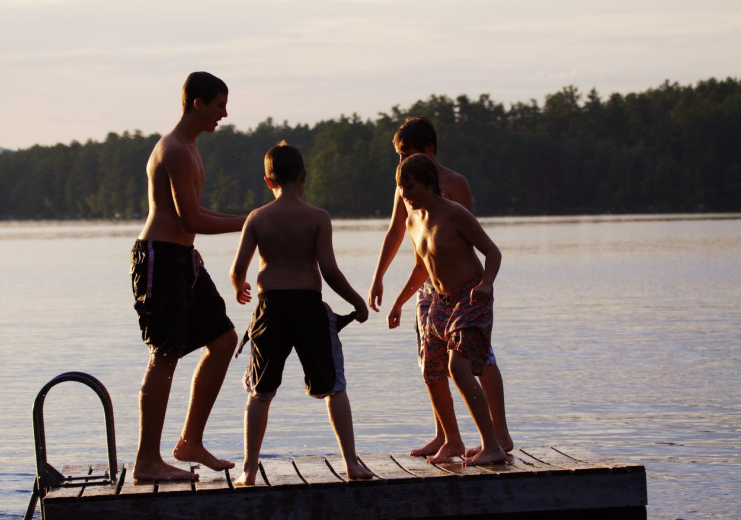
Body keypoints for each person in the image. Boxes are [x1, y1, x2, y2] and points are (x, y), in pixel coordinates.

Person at [230, 141, 375, 485]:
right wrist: (357, 302)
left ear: (268, 181)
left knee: (260, 392)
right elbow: (330, 271)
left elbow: (238, 269)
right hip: (309, 308)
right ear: (304, 176)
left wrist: (239, 288)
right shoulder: (317, 218)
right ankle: (351, 464)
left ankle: (249, 470)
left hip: (270, 309)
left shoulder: (257, 218)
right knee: (334, 388)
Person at [369, 117, 512, 463]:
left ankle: (495, 440)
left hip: (468, 293)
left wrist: (487, 285)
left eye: (407, 154)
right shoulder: (410, 210)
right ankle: (451, 439)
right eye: (398, 157)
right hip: (435, 295)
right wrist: (393, 294)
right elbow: (420, 262)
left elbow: (481, 247)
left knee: (465, 364)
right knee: (432, 367)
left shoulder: (452, 200)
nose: (404, 189)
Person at [130, 71, 246, 482]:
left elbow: (196, 218)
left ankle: (190, 442)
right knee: (164, 355)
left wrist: (249, 220)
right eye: (219, 105)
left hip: (183, 258)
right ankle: (147, 460)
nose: (224, 114)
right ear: (198, 103)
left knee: (223, 340)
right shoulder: (175, 149)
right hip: (160, 259)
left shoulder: (190, 148)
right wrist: (250, 224)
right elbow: (190, 217)